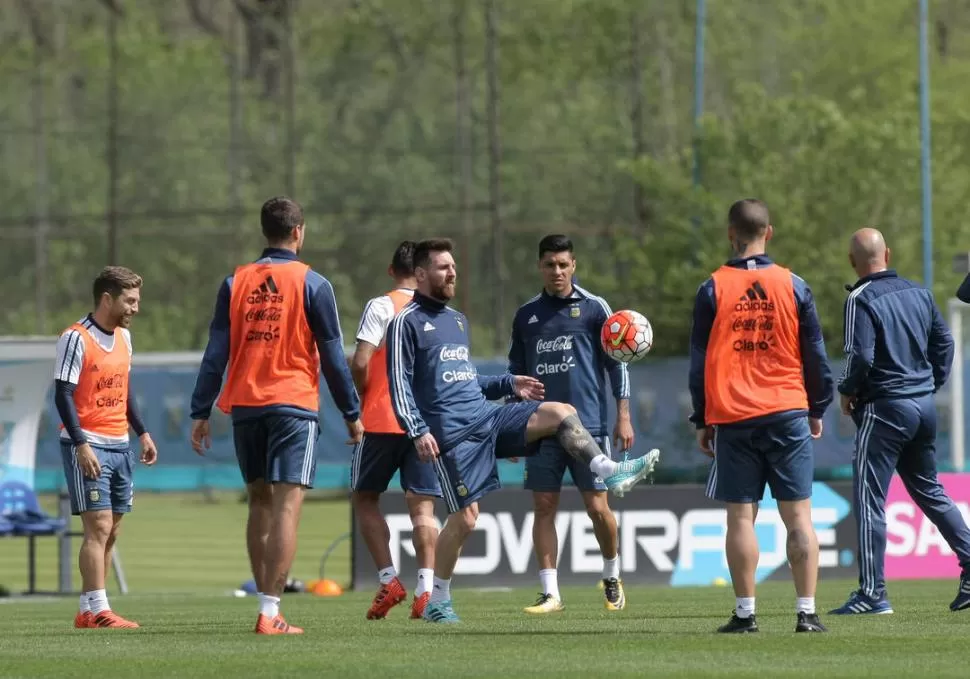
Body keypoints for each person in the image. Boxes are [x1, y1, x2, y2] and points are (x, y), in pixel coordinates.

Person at [386, 237, 659, 624]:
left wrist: (508, 385)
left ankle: (606, 468)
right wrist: (416, 430)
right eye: (444, 267)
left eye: (454, 266)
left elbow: (466, 381)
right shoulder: (405, 323)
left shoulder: (457, 320)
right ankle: (438, 601)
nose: (453, 272)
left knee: (560, 412)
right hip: (452, 435)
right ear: (420, 274)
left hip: (488, 417)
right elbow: (398, 382)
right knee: (466, 520)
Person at [189, 196, 363, 635]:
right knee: (287, 507)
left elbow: (215, 354)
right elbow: (333, 359)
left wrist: (200, 409)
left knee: (259, 504)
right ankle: (269, 612)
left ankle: (267, 608)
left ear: (264, 231)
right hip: (293, 406)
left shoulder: (235, 282)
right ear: (299, 232)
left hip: (245, 407)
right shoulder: (314, 284)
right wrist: (352, 412)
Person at [688, 199, 833, 634]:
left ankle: (746, 613)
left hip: (734, 414)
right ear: (768, 232)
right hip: (787, 408)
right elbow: (816, 354)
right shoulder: (794, 284)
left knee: (740, 518)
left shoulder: (711, 289)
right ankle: (806, 613)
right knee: (799, 517)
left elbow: (698, 363)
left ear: (730, 233)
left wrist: (702, 418)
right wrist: (817, 407)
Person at [830, 227, 970, 615]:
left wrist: (846, 390)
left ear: (851, 261)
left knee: (869, 497)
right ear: (887, 253)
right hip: (922, 405)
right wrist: (930, 383)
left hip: (886, 408)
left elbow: (860, 357)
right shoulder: (919, 292)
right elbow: (945, 343)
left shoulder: (860, 298)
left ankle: (873, 594)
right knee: (930, 490)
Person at [508, 234, 646, 615]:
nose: (557, 271)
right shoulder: (526, 315)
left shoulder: (594, 309)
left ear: (574, 266)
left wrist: (623, 414)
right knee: (544, 505)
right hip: (539, 428)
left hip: (588, 428)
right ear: (540, 266)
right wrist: (513, 430)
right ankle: (550, 593)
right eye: (550, 264)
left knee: (597, 508)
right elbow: (515, 376)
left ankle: (612, 574)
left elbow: (617, 363)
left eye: (563, 264)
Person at [54, 266, 158, 630]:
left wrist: (142, 432)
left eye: (137, 301)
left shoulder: (125, 340)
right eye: (130, 301)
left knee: (112, 529)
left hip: (120, 444)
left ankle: (88, 609)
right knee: (97, 526)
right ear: (107, 299)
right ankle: (99, 610)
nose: (135, 308)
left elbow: (124, 390)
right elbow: (63, 393)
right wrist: (81, 443)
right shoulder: (76, 338)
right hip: (89, 445)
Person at [349, 240, 441, 620]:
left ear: (391, 270)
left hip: (382, 419)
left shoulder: (382, 305)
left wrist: (361, 397)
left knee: (365, 497)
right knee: (422, 506)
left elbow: (360, 360)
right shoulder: (435, 311)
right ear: (421, 271)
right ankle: (426, 589)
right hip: (423, 423)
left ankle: (389, 579)